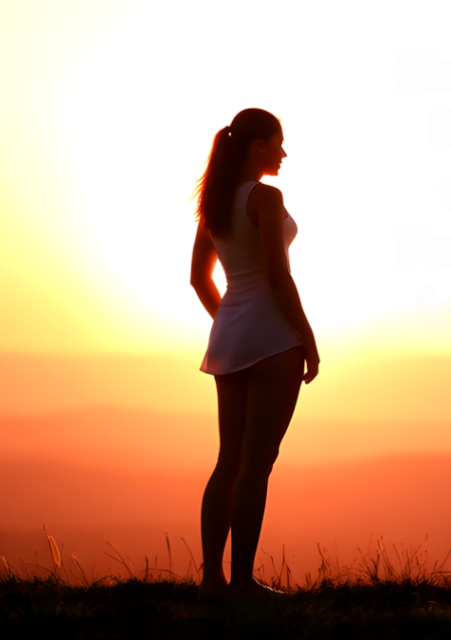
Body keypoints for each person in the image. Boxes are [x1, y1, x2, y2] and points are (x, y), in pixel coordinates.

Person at [189, 108, 320, 597]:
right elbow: (277, 275)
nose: (284, 153)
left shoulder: (216, 202)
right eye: (277, 142)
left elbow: (198, 279)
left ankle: (211, 579)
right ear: (257, 146)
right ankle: (242, 582)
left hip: (230, 336)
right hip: (272, 338)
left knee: (228, 461)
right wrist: (306, 336)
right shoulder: (265, 198)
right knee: (257, 462)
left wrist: (230, 319)